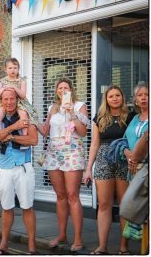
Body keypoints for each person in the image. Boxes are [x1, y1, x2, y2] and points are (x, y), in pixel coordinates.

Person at [37, 78, 89, 252]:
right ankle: (62, 234)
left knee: (72, 195)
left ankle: (78, 238)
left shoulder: (80, 106)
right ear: (56, 91)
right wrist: (31, 117)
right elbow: (45, 131)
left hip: (73, 152)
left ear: (71, 90)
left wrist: (72, 114)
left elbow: (82, 133)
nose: (63, 90)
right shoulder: (53, 108)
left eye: (66, 87)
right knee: (60, 196)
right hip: (53, 153)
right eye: (60, 88)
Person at [84, 85, 135, 254]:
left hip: (124, 160)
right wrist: (88, 168)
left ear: (123, 97)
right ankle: (102, 246)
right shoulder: (99, 117)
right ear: (106, 99)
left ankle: (123, 247)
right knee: (104, 205)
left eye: (117, 95)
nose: (114, 98)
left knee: (124, 205)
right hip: (104, 160)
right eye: (111, 96)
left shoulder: (131, 117)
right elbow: (94, 144)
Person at [0, 88, 38, 254]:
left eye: (12, 99)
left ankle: (32, 246)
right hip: (4, 168)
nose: (9, 102)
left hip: (23, 167)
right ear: (1, 101)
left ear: (17, 99)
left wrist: (11, 137)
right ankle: (3, 245)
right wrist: (13, 128)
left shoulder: (26, 115)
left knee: (27, 207)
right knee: (7, 208)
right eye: (5, 99)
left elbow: (33, 139)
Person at [0, 58, 38, 150]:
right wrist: (2, 89)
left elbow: (22, 95)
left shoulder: (21, 80)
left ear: (18, 69)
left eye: (15, 68)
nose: (13, 70)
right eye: (10, 68)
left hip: (20, 101)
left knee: (24, 115)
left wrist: (14, 87)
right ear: (5, 69)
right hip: (3, 103)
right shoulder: (2, 81)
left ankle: (24, 137)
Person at [124, 83, 148, 176]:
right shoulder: (135, 118)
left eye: (147, 94)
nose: (143, 97)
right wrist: (127, 152)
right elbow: (124, 140)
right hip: (132, 167)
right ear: (136, 101)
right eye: (140, 95)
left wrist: (135, 157)